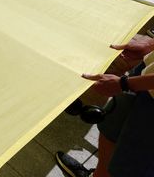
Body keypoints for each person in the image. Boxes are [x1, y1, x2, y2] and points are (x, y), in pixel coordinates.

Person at [55, 35, 154, 177]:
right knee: (110, 130)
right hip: (146, 72)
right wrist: (151, 45)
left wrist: (125, 84)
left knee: (130, 169)